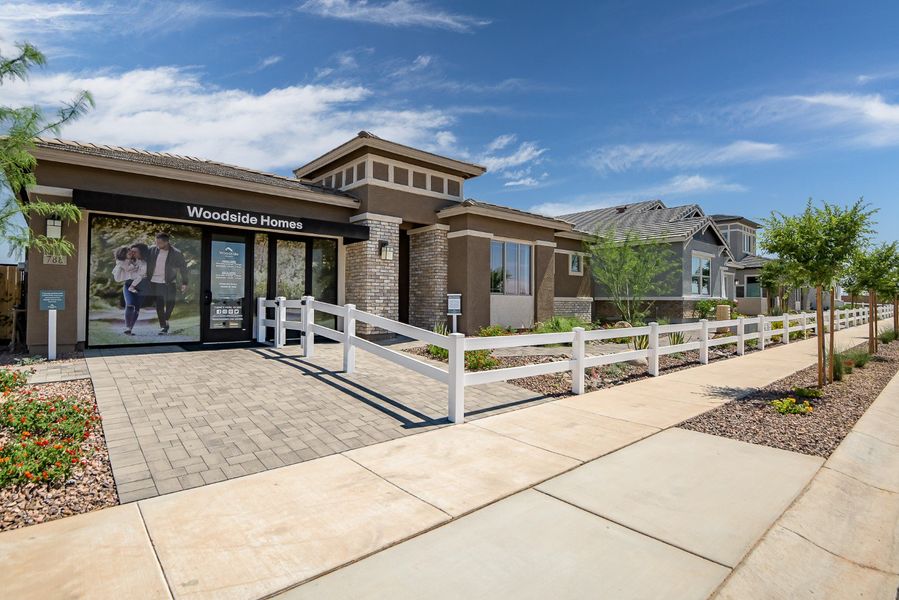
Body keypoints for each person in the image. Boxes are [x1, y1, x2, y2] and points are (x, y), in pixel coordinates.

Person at [146, 232, 189, 335]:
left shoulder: (176, 253)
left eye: (160, 243)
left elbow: (183, 268)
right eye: (156, 242)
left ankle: (166, 319)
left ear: (167, 242)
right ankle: (164, 326)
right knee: (159, 304)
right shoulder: (151, 249)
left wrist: (185, 283)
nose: (157, 244)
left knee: (171, 302)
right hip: (155, 282)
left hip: (169, 282)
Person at [112, 243, 149, 335]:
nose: (132, 253)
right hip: (129, 284)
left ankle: (130, 328)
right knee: (130, 304)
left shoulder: (145, 262)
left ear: (140, 252)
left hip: (143, 286)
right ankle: (127, 328)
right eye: (131, 251)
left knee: (136, 308)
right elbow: (122, 267)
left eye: (134, 252)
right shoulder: (127, 260)